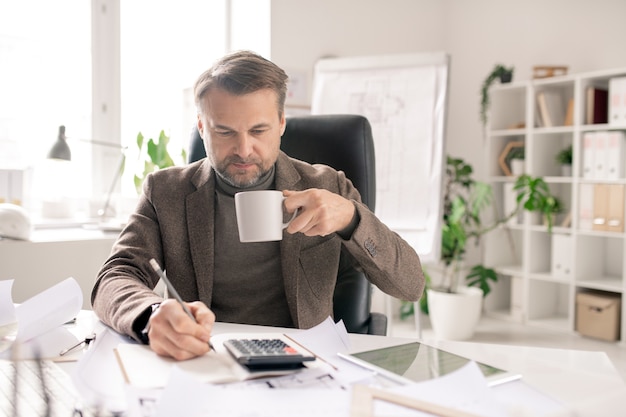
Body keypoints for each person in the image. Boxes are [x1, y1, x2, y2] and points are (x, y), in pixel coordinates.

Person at [91, 50, 424, 361]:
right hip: (205, 359)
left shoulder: (327, 186)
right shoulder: (166, 192)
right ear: (202, 126)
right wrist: (150, 315)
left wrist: (352, 218)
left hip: (305, 361)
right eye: (224, 131)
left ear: (281, 123)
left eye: (258, 130)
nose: (244, 149)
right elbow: (114, 278)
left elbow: (411, 284)